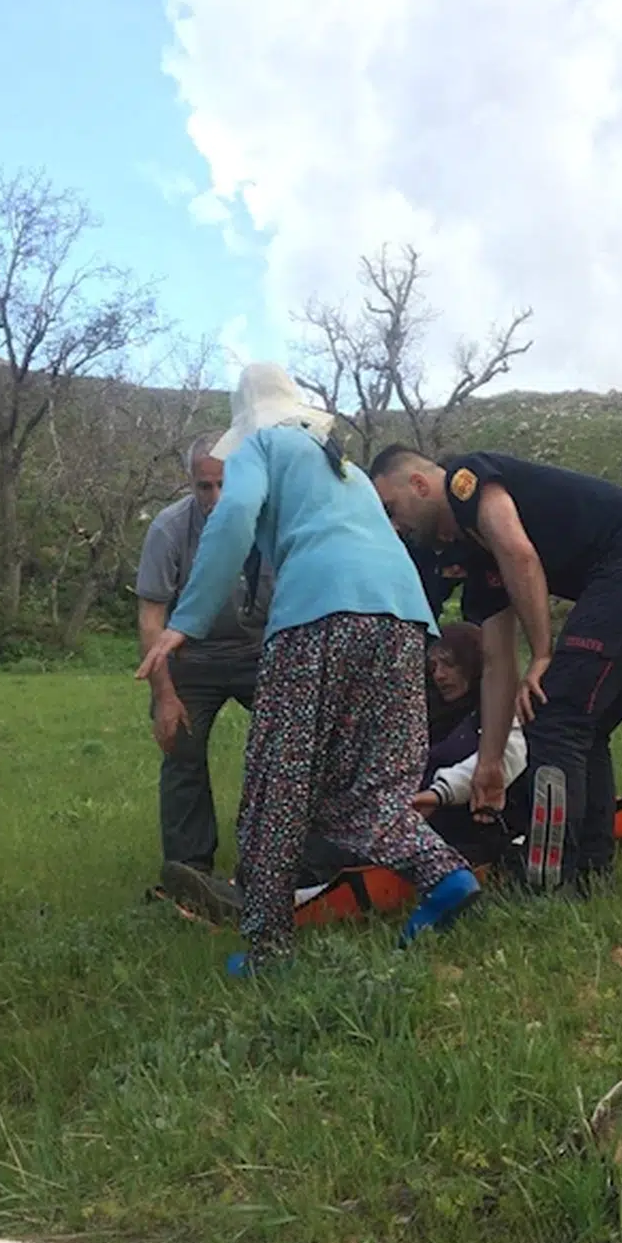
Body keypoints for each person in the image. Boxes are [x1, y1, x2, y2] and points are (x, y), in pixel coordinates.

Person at [137, 365, 479, 973]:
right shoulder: (339, 465)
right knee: (372, 783)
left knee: (280, 781)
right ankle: (444, 874)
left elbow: (233, 519)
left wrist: (184, 622)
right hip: (402, 620)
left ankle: (268, 949)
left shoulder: (260, 445)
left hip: (319, 617)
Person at [371, 446, 622, 891]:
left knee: (552, 718)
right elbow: (497, 664)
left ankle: (547, 877)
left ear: (418, 484)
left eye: (392, 510)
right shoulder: (476, 557)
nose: (397, 527)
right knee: (585, 727)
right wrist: (489, 763)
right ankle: (590, 871)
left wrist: (545, 654)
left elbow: (520, 553)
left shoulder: (464, 480)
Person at [136, 441, 269, 902]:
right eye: (203, 485)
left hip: (261, 652)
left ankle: (279, 856)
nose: (214, 496)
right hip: (191, 656)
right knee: (180, 748)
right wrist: (165, 695)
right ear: (190, 483)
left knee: (289, 745)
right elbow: (151, 618)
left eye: (224, 484)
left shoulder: (271, 522)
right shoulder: (169, 529)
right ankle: (188, 869)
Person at [413, 623, 528, 860]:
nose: (439, 675)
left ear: (474, 664)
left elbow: (508, 756)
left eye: (450, 665)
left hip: (478, 821)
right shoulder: (425, 714)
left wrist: (437, 794)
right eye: (433, 666)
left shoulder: (502, 711)